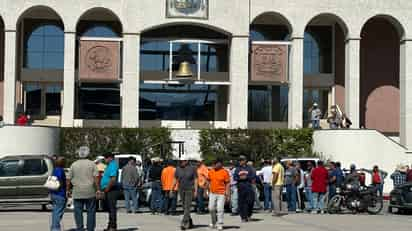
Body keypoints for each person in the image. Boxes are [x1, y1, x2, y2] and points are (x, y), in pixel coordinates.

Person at [67, 146, 99, 231]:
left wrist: (68, 190)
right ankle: (90, 228)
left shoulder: (73, 164)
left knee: (78, 212)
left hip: (77, 191)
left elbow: (68, 179)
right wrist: (98, 189)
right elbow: (96, 178)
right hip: (90, 191)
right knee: (91, 211)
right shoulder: (92, 164)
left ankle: (80, 228)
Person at [172, 157, 198, 230]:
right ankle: (190, 221)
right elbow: (175, 178)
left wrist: (196, 190)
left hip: (190, 189)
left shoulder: (192, 168)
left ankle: (184, 223)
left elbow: (196, 179)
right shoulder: (177, 169)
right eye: (180, 161)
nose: (181, 162)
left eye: (182, 161)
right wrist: (172, 188)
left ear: (186, 161)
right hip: (181, 189)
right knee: (184, 207)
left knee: (187, 207)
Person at [207, 159, 230, 231]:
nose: (214, 165)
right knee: (211, 208)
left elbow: (228, 183)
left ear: (220, 164)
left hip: (221, 193)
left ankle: (220, 224)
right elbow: (208, 181)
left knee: (220, 209)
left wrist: (228, 194)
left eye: (215, 164)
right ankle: (214, 222)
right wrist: (206, 190)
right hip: (212, 193)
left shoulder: (225, 172)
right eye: (214, 164)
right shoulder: (211, 171)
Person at [99, 152, 120, 231]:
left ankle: (113, 227)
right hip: (108, 189)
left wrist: (107, 189)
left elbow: (113, 179)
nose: (105, 160)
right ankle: (110, 225)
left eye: (105, 158)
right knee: (109, 208)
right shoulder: (109, 165)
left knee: (112, 209)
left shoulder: (113, 165)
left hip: (111, 190)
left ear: (110, 158)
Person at [234, 155, 256, 222]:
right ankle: (243, 217)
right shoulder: (237, 169)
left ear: (245, 160)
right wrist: (239, 178)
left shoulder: (249, 168)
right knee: (241, 203)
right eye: (239, 160)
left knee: (250, 202)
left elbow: (253, 176)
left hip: (248, 187)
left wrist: (246, 177)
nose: (240, 161)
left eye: (242, 160)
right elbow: (235, 177)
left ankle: (248, 215)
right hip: (241, 188)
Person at [50, 157, 67, 231]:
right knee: (59, 212)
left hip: (53, 193)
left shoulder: (54, 170)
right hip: (60, 193)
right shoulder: (60, 170)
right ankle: (56, 228)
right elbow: (60, 180)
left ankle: (53, 227)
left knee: (55, 211)